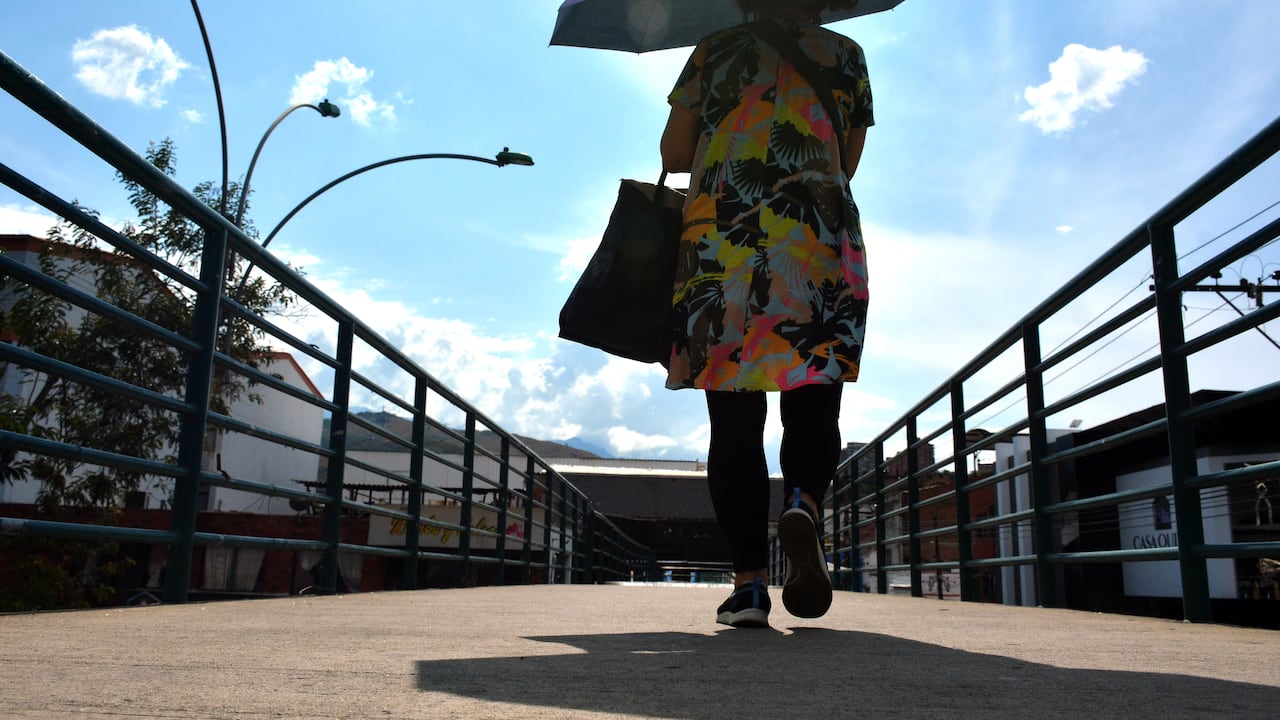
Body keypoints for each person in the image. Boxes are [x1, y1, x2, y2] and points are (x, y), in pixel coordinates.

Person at [659, 0, 874, 627]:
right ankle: (804, 501)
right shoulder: (848, 57)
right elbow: (847, 161)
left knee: (733, 423)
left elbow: (674, 152)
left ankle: (749, 587)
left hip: (723, 246)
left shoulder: (713, 50)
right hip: (813, 242)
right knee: (812, 394)